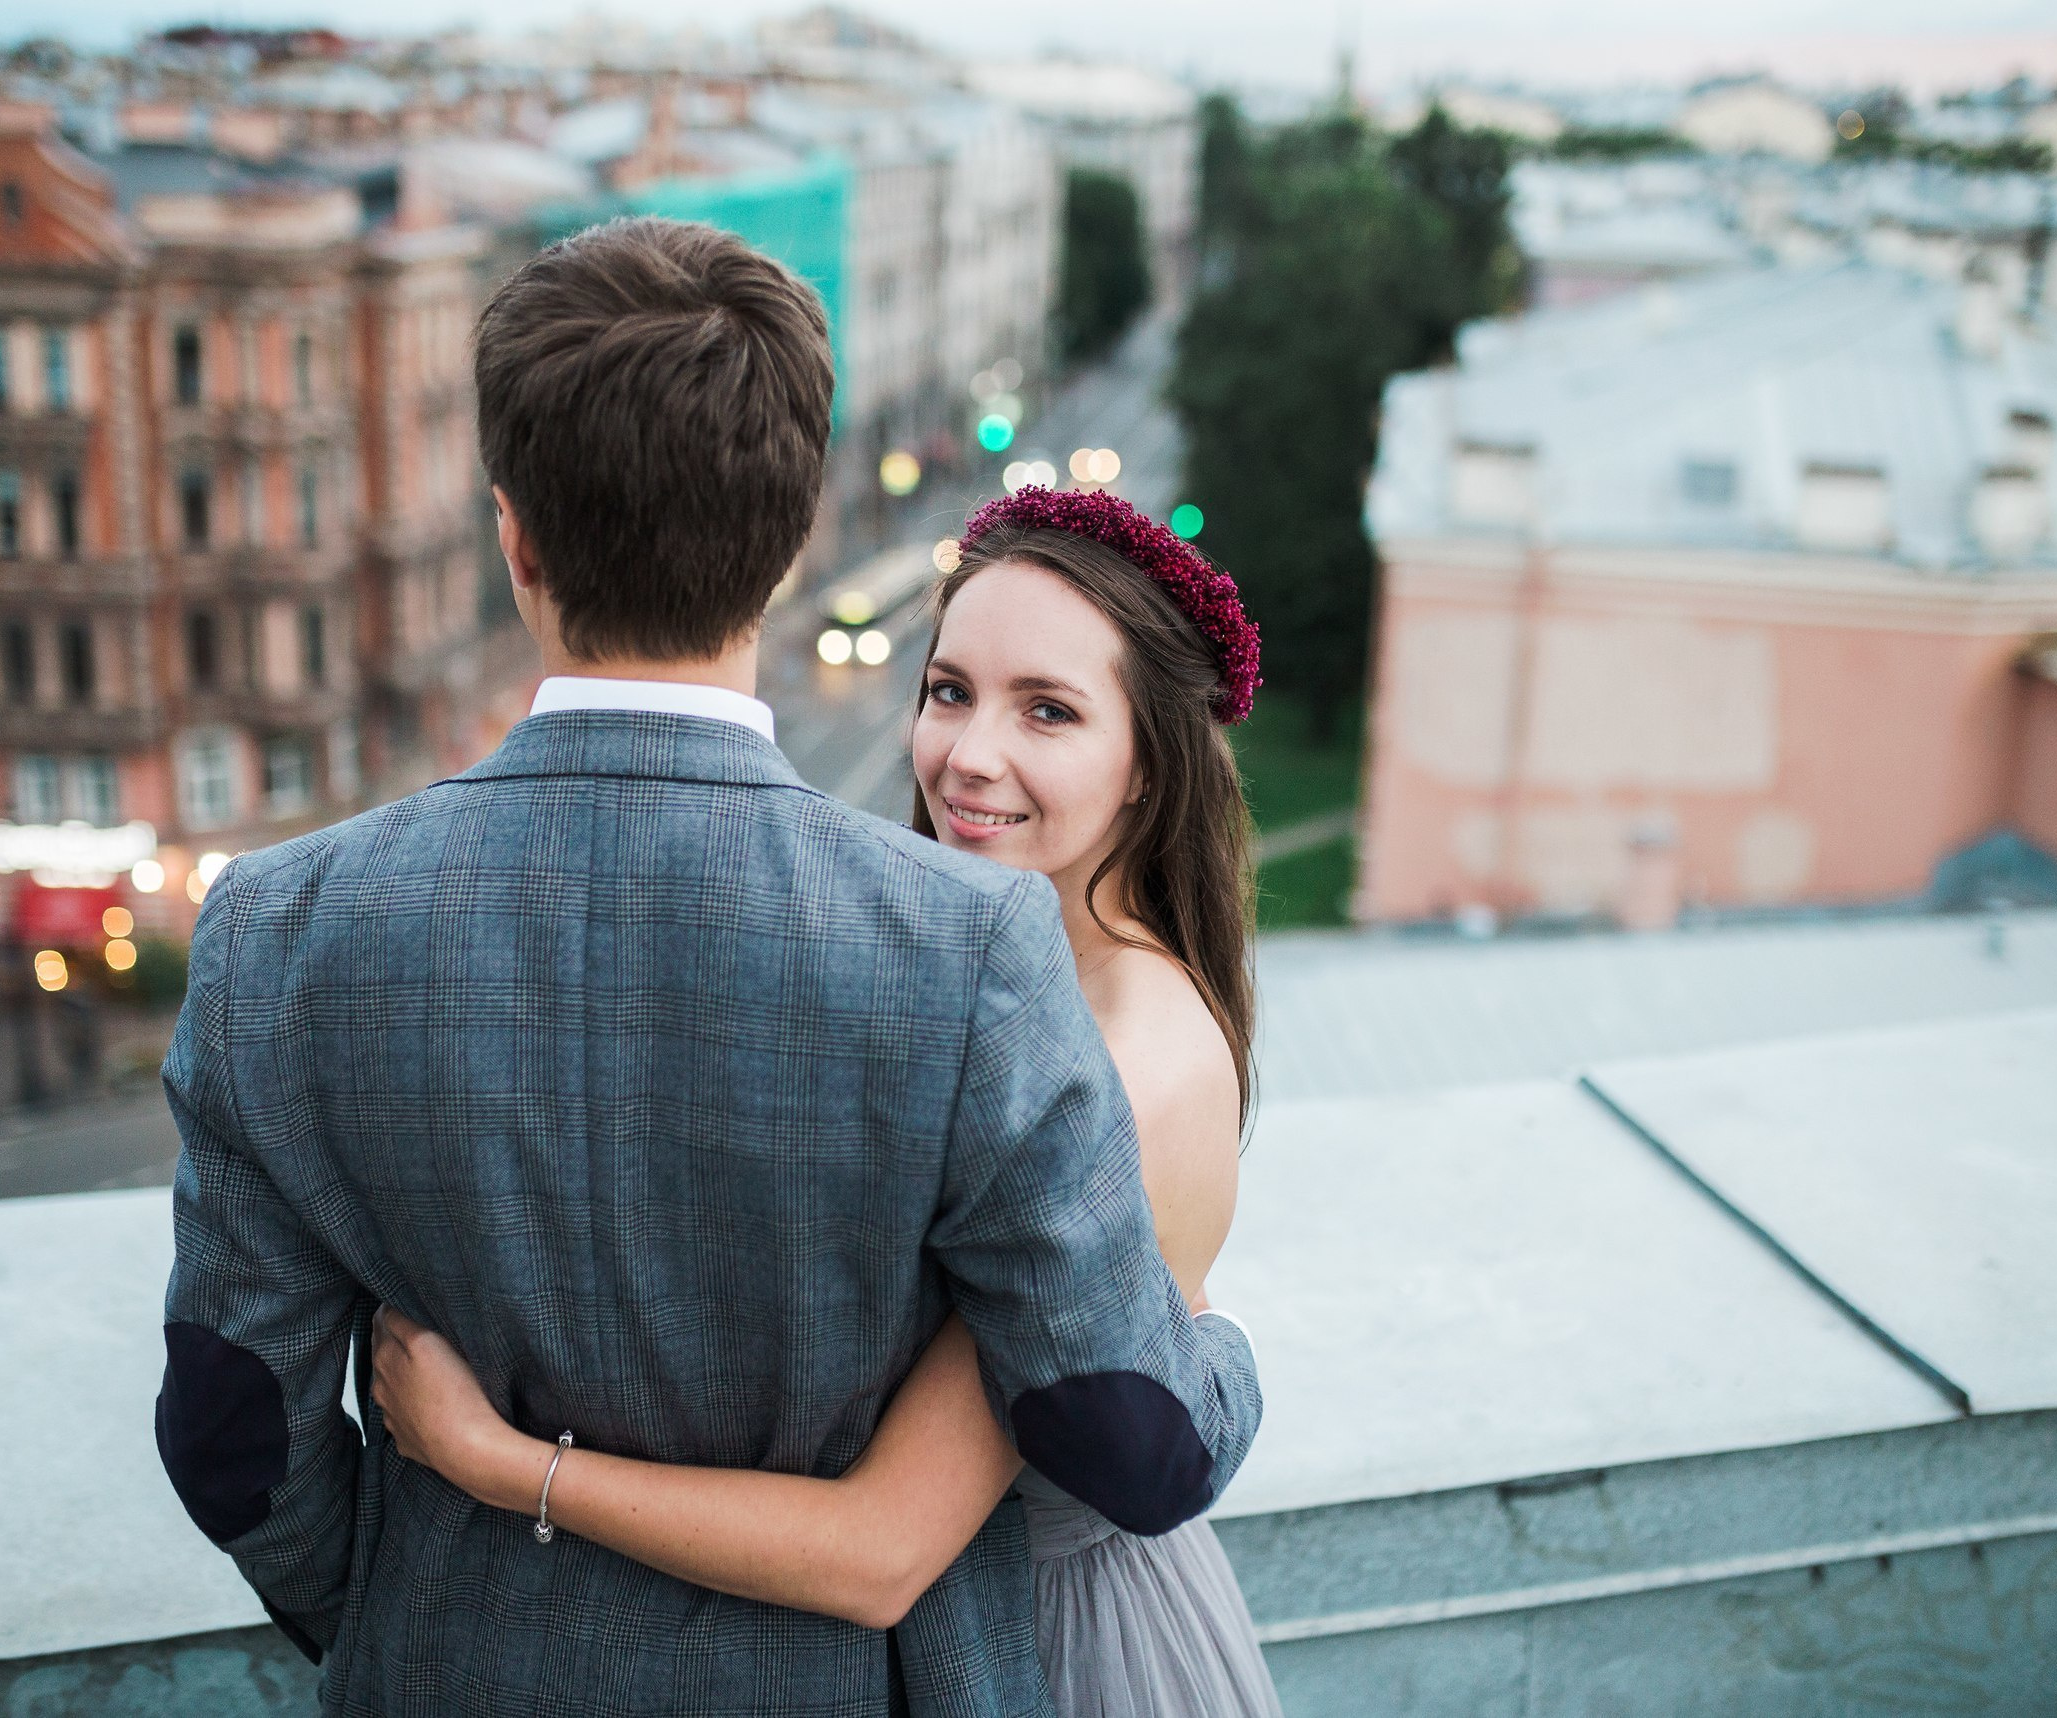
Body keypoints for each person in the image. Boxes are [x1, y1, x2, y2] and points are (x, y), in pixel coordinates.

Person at [152, 216, 1262, 1718]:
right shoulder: (972, 950)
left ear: (515, 539)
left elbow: (233, 1432)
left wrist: (421, 1609)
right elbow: (1130, 1437)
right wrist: (1232, 1352)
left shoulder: (280, 929)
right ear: (792, 530)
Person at [370, 485, 1284, 1718]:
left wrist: (498, 1459)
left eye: (1049, 711)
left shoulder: (1121, 1063)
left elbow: (879, 1548)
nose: (968, 753)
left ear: (1146, 766)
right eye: (949, 689)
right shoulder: (991, 986)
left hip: (1047, 1654)